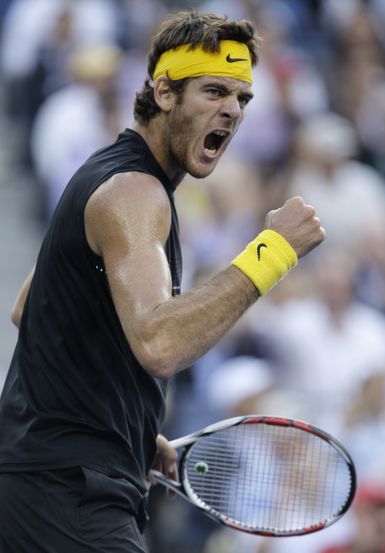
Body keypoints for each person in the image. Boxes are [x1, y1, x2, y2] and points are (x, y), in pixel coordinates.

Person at [0, 10, 325, 553]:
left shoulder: (111, 177)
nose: (232, 110)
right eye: (214, 91)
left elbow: (29, 306)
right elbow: (159, 342)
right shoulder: (134, 193)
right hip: (66, 491)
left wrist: (121, 422)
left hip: (46, 481)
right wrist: (274, 253)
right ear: (165, 92)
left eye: (242, 98)